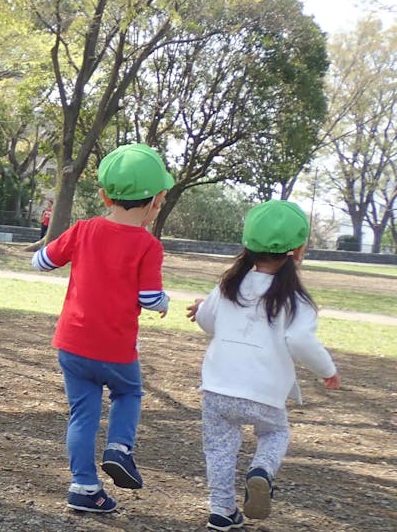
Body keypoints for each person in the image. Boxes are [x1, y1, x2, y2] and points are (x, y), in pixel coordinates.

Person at [31, 143, 174, 513]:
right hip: (116, 347)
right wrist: (164, 303)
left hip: (73, 344)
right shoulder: (148, 245)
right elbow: (149, 297)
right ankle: (119, 448)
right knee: (128, 394)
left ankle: (83, 487)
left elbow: (42, 262)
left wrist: (49, 252)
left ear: (104, 195)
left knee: (83, 414)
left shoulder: (82, 230)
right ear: (157, 200)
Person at [186, 199, 340, 531]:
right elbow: (300, 341)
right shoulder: (296, 300)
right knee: (275, 433)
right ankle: (261, 471)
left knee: (219, 448)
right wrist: (327, 370)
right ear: (298, 250)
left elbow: (209, 323)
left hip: (217, 388)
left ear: (248, 245)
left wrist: (200, 309)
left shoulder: (228, 286)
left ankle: (221, 510)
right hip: (263, 393)